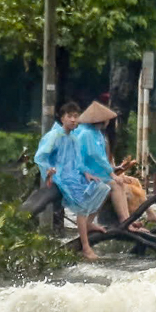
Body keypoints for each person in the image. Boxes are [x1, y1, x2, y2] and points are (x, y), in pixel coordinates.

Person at [34, 102, 111, 260]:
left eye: (76, 116)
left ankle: (88, 224)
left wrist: (86, 173)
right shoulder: (54, 135)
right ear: (62, 118)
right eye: (70, 116)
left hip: (74, 174)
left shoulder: (75, 138)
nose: (73, 120)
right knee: (81, 206)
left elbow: (78, 161)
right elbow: (41, 156)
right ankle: (86, 247)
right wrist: (49, 170)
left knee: (103, 188)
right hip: (62, 176)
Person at [75, 100, 149, 231]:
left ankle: (127, 221)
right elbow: (98, 157)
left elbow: (101, 159)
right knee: (113, 185)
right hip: (82, 174)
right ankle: (123, 221)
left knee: (118, 184)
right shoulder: (87, 133)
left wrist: (114, 170)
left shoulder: (96, 133)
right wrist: (112, 174)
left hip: (94, 172)